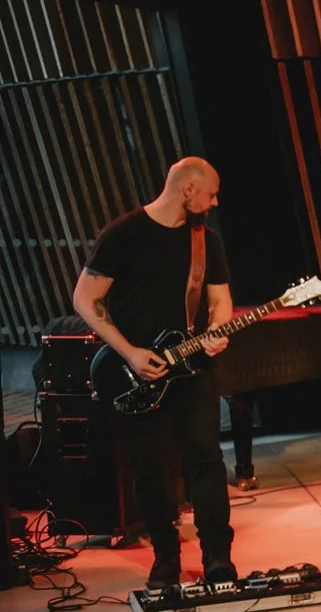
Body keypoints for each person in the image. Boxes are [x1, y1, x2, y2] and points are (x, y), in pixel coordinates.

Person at [71, 157, 236, 587]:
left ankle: (218, 556)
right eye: (211, 194)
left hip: (193, 370)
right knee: (149, 467)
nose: (215, 203)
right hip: (136, 373)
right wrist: (128, 353)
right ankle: (165, 558)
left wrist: (218, 330)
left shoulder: (206, 241)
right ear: (188, 191)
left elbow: (221, 300)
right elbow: (84, 299)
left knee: (207, 460)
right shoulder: (123, 235)